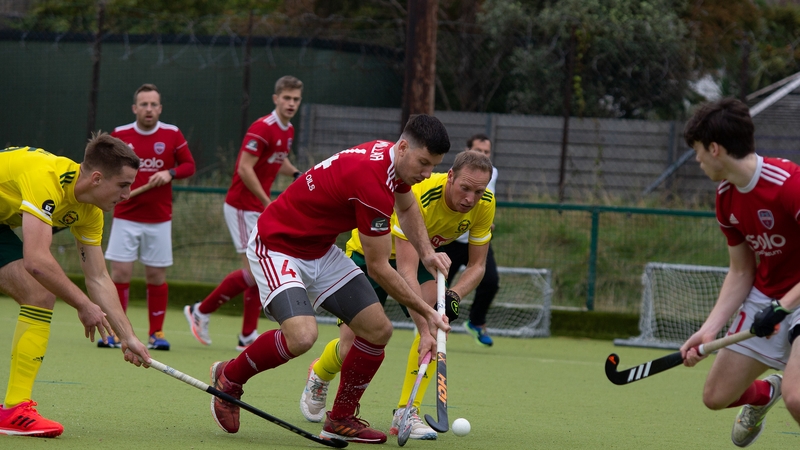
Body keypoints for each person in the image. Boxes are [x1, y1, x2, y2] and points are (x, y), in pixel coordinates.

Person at [206, 114, 452, 444]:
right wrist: (427, 312)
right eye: (424, 163)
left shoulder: (392, 161)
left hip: (320, 250)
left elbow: (407, 209)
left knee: (378, 330)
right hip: (277, 245)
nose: (426, 173)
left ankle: (340, 419)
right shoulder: (372, 183)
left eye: (432, 165)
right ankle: (230, 377)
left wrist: (427, 253)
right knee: (302, 336)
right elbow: (379, 266)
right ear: (404, 147)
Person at [300, 150, 496, 441]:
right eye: (465, 188)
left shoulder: (485, 205)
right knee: (352, 343)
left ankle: (407, 410)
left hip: (420, 257)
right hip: (370, 255)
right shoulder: (422, 194)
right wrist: (424, 321)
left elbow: (478, 265)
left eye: (478, 191)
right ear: (450, 177)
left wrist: (452, 295)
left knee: (436, 324)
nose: (470, 198)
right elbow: (405, 270)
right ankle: (320, 372)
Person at [0, 136, 151, 438]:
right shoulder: (46, 179)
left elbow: (97, 277)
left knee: (39, 294)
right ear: (97, 178)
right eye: (123, 185)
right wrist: (83, 305)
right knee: (39, 285)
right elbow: (37, 260)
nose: (128, 194)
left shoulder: (90, 211)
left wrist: (128, 335)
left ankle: (14, 410)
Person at [679, 97, 800, 447]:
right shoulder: (726, 197)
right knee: (716, 396)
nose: (698, 159)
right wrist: (708, 330)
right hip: (767, 296)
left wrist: (782, 307)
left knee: (797, 399)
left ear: (715, 148)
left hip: (794, 300)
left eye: (698, 151)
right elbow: (741, 270)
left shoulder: (789, 184)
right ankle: (765, 395)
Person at [184, 75, 303, 351]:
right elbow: (244, 169)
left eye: (296, 99)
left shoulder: (288, 130)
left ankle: (247, 335)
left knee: (258, 268)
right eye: (286, 98)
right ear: (276, 99)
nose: (291, 103)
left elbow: (278, 158)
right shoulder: (262, 127)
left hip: (258, 208)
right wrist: (267, 200)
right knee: (252, 270)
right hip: (241, 205)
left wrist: (295, 172)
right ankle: (200, 311)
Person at [102, 83, 196, 351]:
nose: (149, 109)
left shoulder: (172, 134)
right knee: (120, 274)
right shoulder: (119, 135)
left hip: (159, 218)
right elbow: (104, 166)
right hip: (126, 216)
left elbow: (189, 165)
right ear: (135, 108)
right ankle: (117, 332)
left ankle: (156, 333)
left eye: (154, 104)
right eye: (143, 104)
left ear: (160, 108)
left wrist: (170, 173)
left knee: (156, 276)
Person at [439, 133, 500, 346]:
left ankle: (476, 322)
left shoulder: (493, 174)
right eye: (478, 151)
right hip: (451, 240)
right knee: (439, 284)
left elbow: (486, 204)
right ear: (467, 151)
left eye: (486, 152)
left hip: (475, 240)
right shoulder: (455, 175)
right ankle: (430, 318)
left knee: (490, 282)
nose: (483, 155)